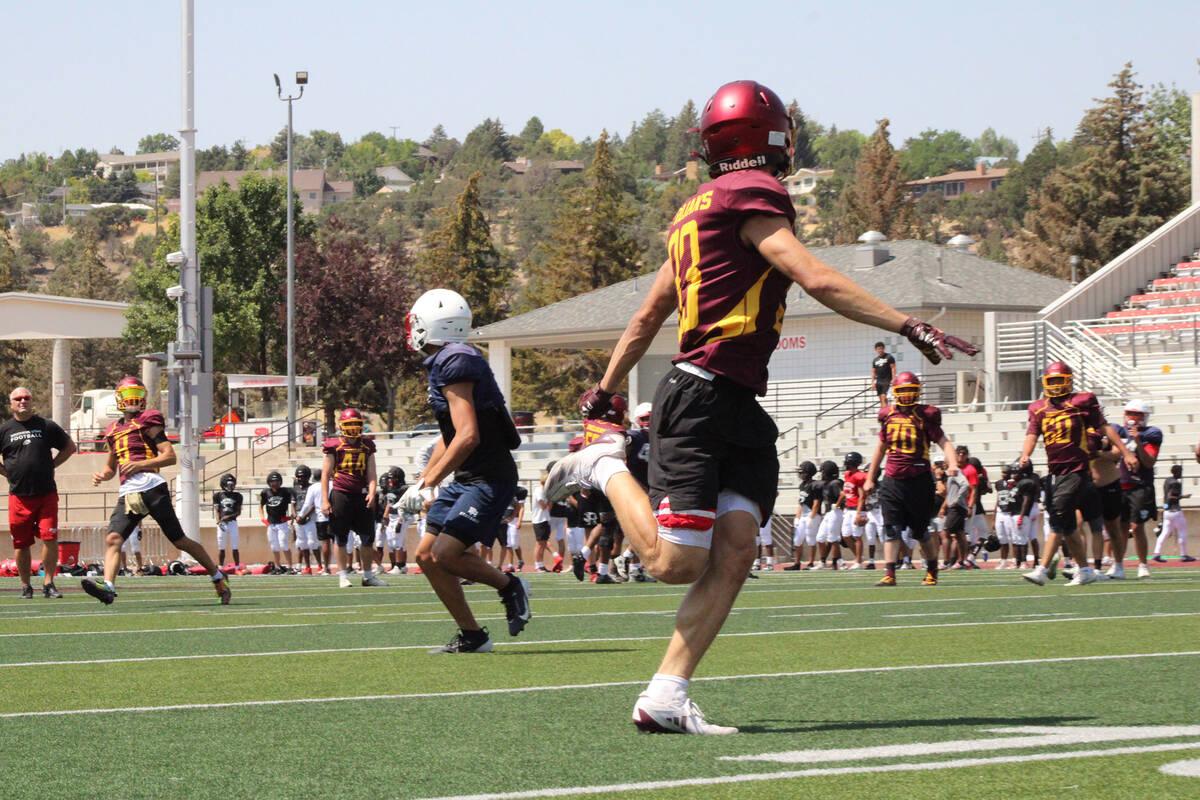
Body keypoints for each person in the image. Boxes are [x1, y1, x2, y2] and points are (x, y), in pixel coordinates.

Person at [544, 79, 977, 734]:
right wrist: (907, 325)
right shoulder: (754, 198)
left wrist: (606, 390)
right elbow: (816, 276)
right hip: (700, 397)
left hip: (738, 406)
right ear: (769, 136)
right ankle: (605, 467)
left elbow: (646, 316)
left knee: (739, 546)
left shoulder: (694, 214)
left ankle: (665, 694)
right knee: (673, 562)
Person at [399, 288, 531, 653]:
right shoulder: (448, 360)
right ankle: (473, 634)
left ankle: (509, 585)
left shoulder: (455, 360)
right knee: (426, 556)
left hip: (489, 477)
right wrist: (423, 480)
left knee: (445, 554)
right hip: (469, 477)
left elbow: (469, 436)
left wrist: (429, 481)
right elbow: (451, 434)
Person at [85, 377, 230, 605]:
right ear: (118, 398)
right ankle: (108, 588)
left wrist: (141, 464)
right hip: (128, 491)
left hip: (152, 486)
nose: (134, 399)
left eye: (138, 394)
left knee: (180, 540)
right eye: (129, 394)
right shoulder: (113, 430)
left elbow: (170, 456)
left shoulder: (147, 420)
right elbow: (111, 468)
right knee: (113, 539)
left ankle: (217, 575)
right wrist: (102, 475)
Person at [1019, 362, 1137, 587]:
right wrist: (1025, 454)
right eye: (1051, 380)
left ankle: (1042, 569)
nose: (1055, 385)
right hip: (1056, 472)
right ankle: (1084, 569)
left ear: (1069, 380)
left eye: (1058, 380)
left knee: (1059, 522)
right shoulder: (1037, 407)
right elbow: (1032, 434)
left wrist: (1125, 453)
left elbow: (1105, 428)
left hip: (1076, 470)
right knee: (1070, 525)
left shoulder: (1083, 401)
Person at [863, 371, 959, 586]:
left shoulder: (926, 415)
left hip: (918, 480)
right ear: (895, 392)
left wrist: (952, 463)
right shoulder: (887, 415)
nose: (906, 395)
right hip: (892, 480)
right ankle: (890, 573)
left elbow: (944, 442)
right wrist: (870, 477)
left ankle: (932, 570)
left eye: (910, 390)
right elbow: (880, 448)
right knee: (891, 529)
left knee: (920, 531)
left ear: (917, 391)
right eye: (902, 390)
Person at [0, 386, 76, 599]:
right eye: (18, 399)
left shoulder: (47, 426)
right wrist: (7, 473)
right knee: (21, 543)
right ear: (11, 404)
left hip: (46, 495)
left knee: (50, 538)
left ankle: (48, 583)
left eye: (26, 398)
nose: (22, 401)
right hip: (19, 496)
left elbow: (70, 447)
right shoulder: (5, 430)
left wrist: (52, 465)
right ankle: (26, 586)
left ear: (32, 402)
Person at [321, 408, 386, 588]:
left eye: (356, 425)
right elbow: (326, 474)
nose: (353, 429)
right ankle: (342, 576)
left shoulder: (367, 446)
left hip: (362, 495)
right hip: (341, 494)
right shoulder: (334, 445)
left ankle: (368, 576)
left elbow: (372, 473)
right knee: (340, 538)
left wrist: (372, 492)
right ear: (342, 426)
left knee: (367, 538)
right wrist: (325, 500)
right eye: (349, 425)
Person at [1113, 399, 1163, 578]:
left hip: (1140, 485)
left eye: (1137, 414)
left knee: (1136, 526)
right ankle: (1118, 565)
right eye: (1131, 414)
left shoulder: (1151, 434)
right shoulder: (1118, 431)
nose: (1133, 418)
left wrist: (1137, 441)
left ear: (1145, 417)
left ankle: (1143, 564)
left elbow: (1149, 462)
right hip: (1120, 485)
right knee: (1120, 527)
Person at [785, 461, 819, 569]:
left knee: (810, 539)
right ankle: (797, 563)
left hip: (812, 515)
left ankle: (811, 562)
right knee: (797, 540)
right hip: (803, 515)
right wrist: (797, 517)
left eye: (802, 472)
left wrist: (811, 517)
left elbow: (816, 503)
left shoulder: (815, 485)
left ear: (808, 473)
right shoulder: (802, 485)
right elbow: (801, 502)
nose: (800, 474)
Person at [1154, 464, 1192, 562]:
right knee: (1182, 532)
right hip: (1175, 511)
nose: (1181, 474)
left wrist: (1164, 508)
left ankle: (1156, 553)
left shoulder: (1167, 480)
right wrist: (1184, 497)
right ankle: (1183, 554)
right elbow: (1171, 497)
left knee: (1165, 533)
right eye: (1180, 472)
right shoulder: (1176, 483)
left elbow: (1166, 497)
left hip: (1167, 511)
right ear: (1177, 472)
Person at [297, 467, 332, 574]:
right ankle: (342, 567)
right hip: (335, 516)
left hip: (321, 517)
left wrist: (300, 516)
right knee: (338, 542)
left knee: (326, 542)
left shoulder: (313, 487)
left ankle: (326, 567)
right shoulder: (333, 484)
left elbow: (307, 503)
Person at [260, 470, 295, 573]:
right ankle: (278, 566)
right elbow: (261, 506)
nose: (275, 483)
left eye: (277, 481)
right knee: (274, 546)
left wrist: (291, 517)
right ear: (269, 482)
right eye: (273, 481)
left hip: (282, 523)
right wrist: (263, 518)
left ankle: (290, 566)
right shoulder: (265, 492)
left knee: (284, 544)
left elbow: (293, 502)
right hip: (271, 523)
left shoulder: (285, 492)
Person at [213, 473, 243, 568]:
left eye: (232, 484)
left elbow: (238, 512)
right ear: (223, 484)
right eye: (229, 484)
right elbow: (217, 511)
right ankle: (220, 566)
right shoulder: (217, 495)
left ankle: (237, 567)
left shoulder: (238, 496)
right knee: (221, 547)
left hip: (232, 523)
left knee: (235, 547)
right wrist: (219, 521)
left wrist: (229, 517)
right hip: (222, 524)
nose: (231, 486)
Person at [292, 465, 319, 574]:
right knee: (302, 544)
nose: (299, 479)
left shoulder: (311, 488)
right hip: (298, 517)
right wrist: (295, 517)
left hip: (310, 517)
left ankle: (320, 565)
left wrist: (305, 516)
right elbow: (293, 504)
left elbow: (313, 504)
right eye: (298, 477)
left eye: (301, 477)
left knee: (313, 542)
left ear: (307, 477)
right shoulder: (295, 489)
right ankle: (307, 567)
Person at [870, 342, 896, 407]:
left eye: (881, 348)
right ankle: (884, 410)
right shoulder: (875, 360)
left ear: (883, 349)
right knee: (881, 398)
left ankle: (885, 411)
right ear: (876, 350)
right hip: (879, 381)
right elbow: (873, 372)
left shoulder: (889, 357)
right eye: (878, 349)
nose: (880, 350)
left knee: (883, 396)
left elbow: (893, 368)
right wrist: (872, 382)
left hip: (887, 380)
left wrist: (893, 379)